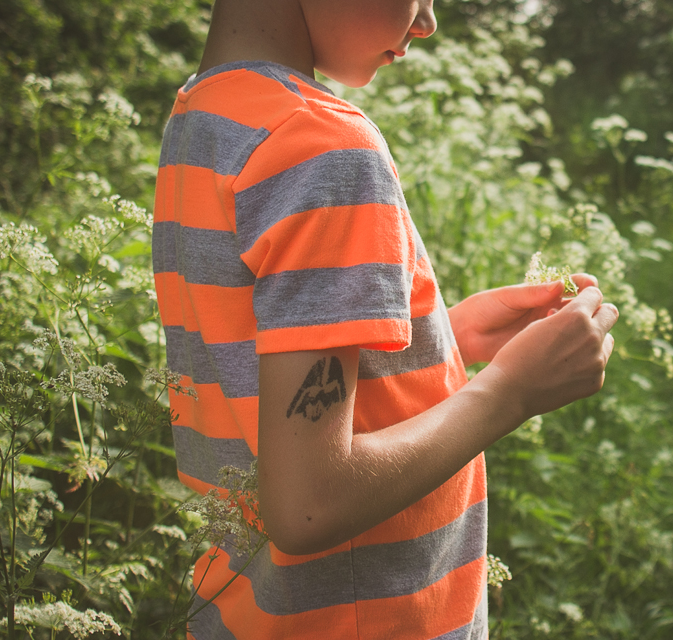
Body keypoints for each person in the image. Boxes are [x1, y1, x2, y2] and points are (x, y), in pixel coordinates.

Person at [152, 0, 619, 637]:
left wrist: (442, 340)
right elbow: (310, 504)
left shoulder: (203, 119)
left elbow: (257, 380)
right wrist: (510, 391)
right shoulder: (320, 146)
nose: (427, 21)